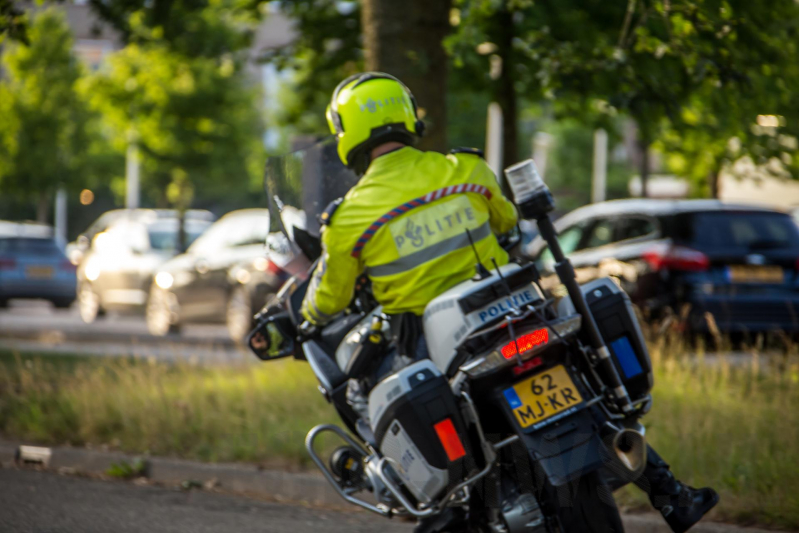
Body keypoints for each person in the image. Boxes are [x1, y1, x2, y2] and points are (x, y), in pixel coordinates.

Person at [300, 72, 718, 533]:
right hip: (519, 311)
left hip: (440, 339)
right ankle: (670, 492)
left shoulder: (348, 217)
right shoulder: (466, 170)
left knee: (395, 395)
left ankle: (447, 504)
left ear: (347, 133)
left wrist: (308, 316)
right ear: (406, 114)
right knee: (587, 390)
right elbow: (507, 223)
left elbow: (329, 297)